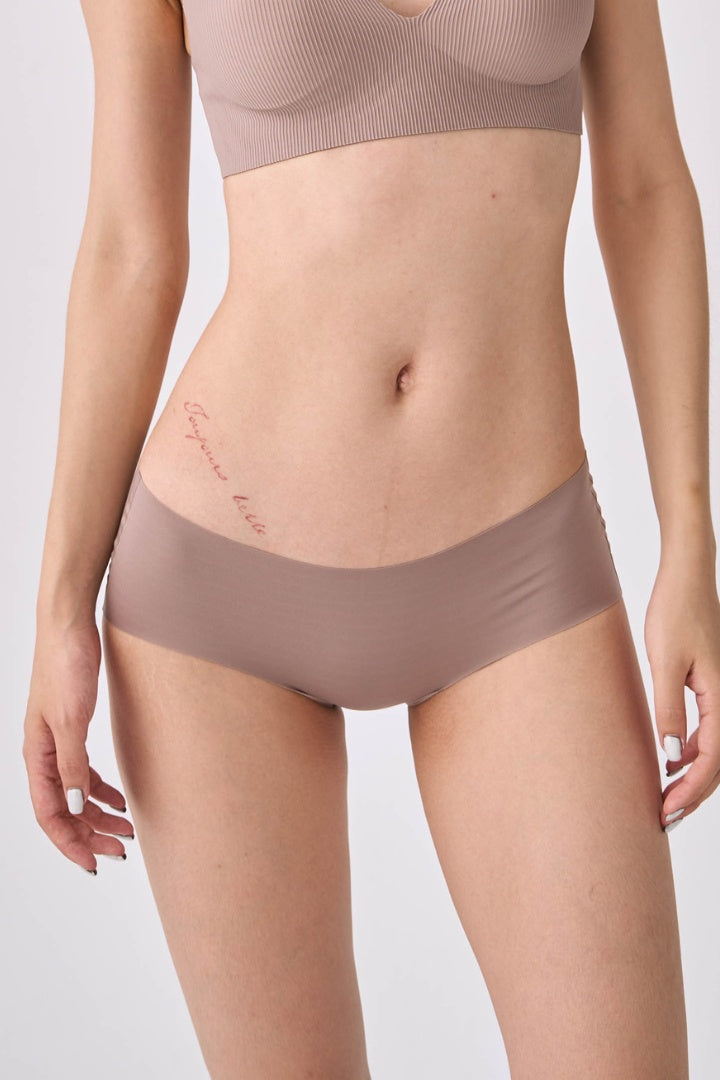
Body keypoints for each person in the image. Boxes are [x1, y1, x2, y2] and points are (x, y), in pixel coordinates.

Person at [22, 0, 719, 1076]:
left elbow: (646, 188)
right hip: (217, 599)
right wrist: (60, 605)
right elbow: (131, 249)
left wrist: (692, 542)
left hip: (521, 576)